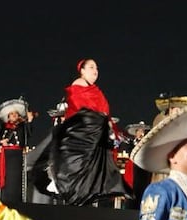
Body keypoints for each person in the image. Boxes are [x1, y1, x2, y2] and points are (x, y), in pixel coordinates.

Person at [32, 59, 126, 206]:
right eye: (91, 67)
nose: (95, 70)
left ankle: (81, 196)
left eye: (97, 68)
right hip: (80, 133)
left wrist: (108, 126)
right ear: (82, 71)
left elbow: (103, 112)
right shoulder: (79, 85)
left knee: (87, 170)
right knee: (77, 167)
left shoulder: (95, 90)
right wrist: (100, 121)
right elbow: (83, 108)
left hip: (92, 133)